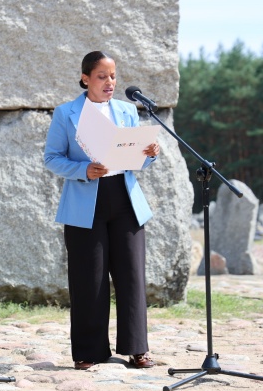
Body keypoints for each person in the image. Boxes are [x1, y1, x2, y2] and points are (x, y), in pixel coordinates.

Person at [44, 51, 160, 370]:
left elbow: (139, 160)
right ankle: (88, 352)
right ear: (85, 78)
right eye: (102, 76)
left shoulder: (127, 110)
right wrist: (83, 169)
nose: (110, 82)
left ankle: (137, 349)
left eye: (113, 76)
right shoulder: (66, 113)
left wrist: (149, 153)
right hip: (86, 203)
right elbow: (52, 158)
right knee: (89, 279)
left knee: (131, 276)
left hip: (125, 199)